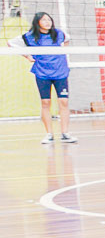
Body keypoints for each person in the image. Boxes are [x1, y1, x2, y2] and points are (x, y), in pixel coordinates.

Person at [24, 11, 75, 144]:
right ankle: (49, 134)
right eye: (44, 20)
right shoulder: (30, 36)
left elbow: (67, 40)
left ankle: (65, 133)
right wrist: (27, 56)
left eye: (49, 19)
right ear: (38, 23)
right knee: (45, 103)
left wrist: (64, 54)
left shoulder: (58, 33)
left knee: (63, 102)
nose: (48, 22)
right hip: (42, 73)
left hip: (60, 72)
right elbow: (11, 44)